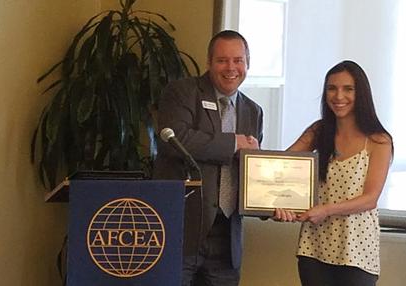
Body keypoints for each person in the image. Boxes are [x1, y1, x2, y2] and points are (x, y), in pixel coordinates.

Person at [153, 30, 262, 286]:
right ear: (209, 62)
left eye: (238, 60)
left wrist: (272, 201)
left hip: (226, 238)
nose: (231, 68)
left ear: (248, 63)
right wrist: (233, 142)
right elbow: (175, 141)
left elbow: (251, 171)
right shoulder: (182, 92)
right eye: (222, 60)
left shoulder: (253, 111)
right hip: (181, 230)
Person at [274, 60, 393, 286]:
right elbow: (282, 165)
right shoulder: (318, 131)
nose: (339, 96)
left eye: (348, 89)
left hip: (356, 250)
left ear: (362, 93)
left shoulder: (379, 140)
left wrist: (326, 210)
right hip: (314, 246)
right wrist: (255, 157)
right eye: (332, 88)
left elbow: (370, 199)